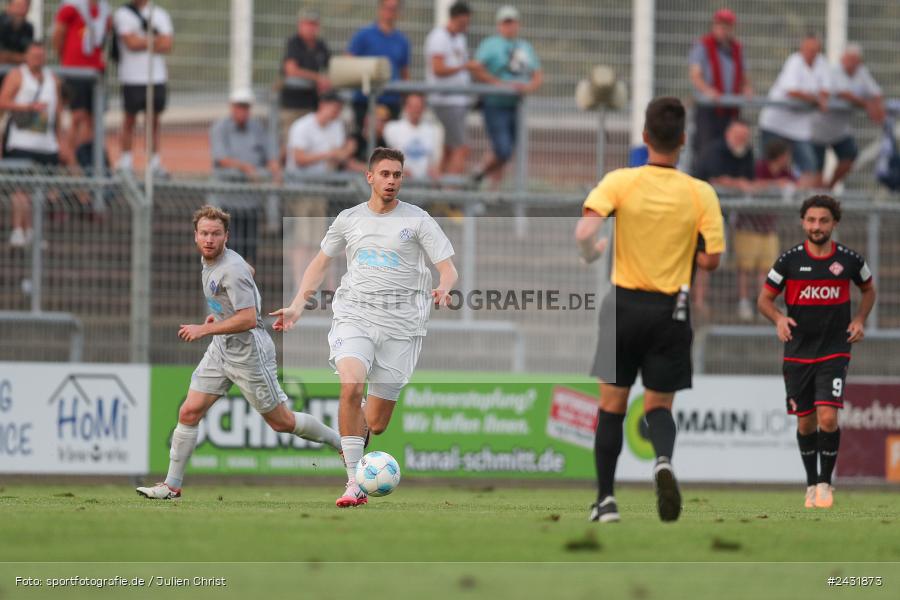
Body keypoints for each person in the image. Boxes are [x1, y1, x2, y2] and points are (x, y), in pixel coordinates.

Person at [270, 147, 458, 508]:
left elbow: (447, 268)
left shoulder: (417, 220)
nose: (391, 181)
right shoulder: (348, 219)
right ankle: (354, 483)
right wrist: (297, 305)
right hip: (354, 315)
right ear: (369, 177)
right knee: (351, 383)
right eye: (385, 174)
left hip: (402, 327)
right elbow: (320, 262)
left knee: (377, 421)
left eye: (397, 175)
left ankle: (359, 442)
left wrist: (444, 287)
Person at [575, 97, 725, 524]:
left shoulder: (620, 181)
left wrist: (592, 250)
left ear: (644, 138)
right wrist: (686, 250)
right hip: (670, 310)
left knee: (611, 406)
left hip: (623, 305)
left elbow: (585, 229)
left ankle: (605, 500)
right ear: (682, 140)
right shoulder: (700, 192)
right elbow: (713, 258)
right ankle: (662, 460)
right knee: (659, 406)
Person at [136, 205, 342, 500]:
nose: (209, 239)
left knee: (281, 422)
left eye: (216, 234)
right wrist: (220, 316)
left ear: (226, 236)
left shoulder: (231, 269)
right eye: (204, 233)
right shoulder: (224, 263)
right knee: (189, 410)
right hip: (222, 348)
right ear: (195, 236)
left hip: (249, 352)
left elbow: (247, 318)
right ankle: (171, 485)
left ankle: (340, 444)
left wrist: (204, 329)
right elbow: (248, 272)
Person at [757, 195, 875, 510]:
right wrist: (779, 318)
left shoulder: (850, 260)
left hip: (835, 349)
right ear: (802, 222)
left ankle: (825, 484)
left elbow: (868, 289)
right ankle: (811, 485)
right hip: (797, 352)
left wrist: (860, 319)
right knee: (806, 423)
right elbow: (764, 300)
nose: (816, 226)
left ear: (834, 223)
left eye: (823, 220)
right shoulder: (789, 261)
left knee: (828, 416)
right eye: (811, 220)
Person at [0, 41, 68, 248]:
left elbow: (57, 113)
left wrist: (60, 140)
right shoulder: (17, 76)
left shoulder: (52, 79)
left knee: (38, 191)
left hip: (46, 144)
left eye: (41, 56)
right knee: (19, 189)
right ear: (26, 57)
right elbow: (3, 101)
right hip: (21, 141)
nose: (38, 59)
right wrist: (28, 107)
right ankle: (17, 230)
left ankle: (32, 231)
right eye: (34, 55)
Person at [209, 88, 281, 265]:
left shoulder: (257, 128)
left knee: (250, 249)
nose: (242, 111)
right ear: (232, 107)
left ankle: (246, 287)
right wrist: (245, 167)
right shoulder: (221, 128)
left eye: (246, 107)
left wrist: (274, 168)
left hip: (251, 200)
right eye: (239, 106)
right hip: (228, 200)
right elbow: (222, 158)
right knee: (228, 247)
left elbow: (270, 155)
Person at [472, 5, 542, 186]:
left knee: (506, 152)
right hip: (495, 104)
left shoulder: (525, 46)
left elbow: (537, 74)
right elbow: (477, 68)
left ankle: (491, 189)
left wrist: (527, 88)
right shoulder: (490, 44)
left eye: (512, 22)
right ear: (499, 25)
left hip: (516, 105)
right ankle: (478, 174)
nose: (510, 26)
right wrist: (497, 83)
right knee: (502, 149)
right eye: (506, 22)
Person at [731, 139, 794, 321]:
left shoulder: (785, 172)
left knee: (767, 268)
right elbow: (751, 186)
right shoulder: (758, 167)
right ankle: (743, 302)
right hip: (748, 225)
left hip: (768, 227)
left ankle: (763, 303)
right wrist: (774, 185)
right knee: (746, 267)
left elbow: (797, 184)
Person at [759, 34, 830, 188]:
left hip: (799, 128)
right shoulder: (794, 61)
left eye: (814, 50)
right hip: (776, 124)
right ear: (801, 49)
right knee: (767, 165)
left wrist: (819, 98)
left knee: (809, 166)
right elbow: (792, 91)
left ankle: (799, 203)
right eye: (807, 49)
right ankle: (763, 206)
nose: (810, 53)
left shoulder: (822, 64)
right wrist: (816, 100)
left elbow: (825, 90)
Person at [113, 0, 174, 175]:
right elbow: (130, 43)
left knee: (153, 122)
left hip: (156, 77)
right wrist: (156, 40)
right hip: (132, 77)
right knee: (129, 120)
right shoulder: (123, 14)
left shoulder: (160, 14)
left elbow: (167, 44)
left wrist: (142, 40)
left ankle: (153, 162)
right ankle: (125, 161)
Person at [812, 44, 884, 189]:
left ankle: (829, 188)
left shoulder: (862, 73)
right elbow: (844, 94)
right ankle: (816, 200)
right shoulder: (833, 71)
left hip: (839, 131)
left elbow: (876, 93)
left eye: (853, 60)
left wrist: (878, 107)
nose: (850, 63)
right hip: (818, 131)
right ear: (842, 59)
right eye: (847, 59)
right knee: (816, 172)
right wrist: (867, 104)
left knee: (850, 156)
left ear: (859, 62)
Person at [688, 8, 752, 172]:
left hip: (730, 109)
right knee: (706, 149)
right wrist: (708, 91)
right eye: (720, 25)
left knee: (731, 148)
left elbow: (744, 77)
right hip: (709, 109)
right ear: (714, 26)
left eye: (727, 26)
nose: (723, 30)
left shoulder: (737, 49)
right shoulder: (703, 45)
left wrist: (746, 89)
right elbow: (695, 75)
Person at [53, 0, 112, 156]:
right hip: (76, 70)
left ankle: (86, 157)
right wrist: (65, 60)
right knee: (78, 116)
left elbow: (104, 38)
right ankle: (72, 159)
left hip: (96, 71)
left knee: (92, 119)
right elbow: (58, 34)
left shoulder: (104, 10)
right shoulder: (72, 6)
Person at [425, 1, 477, 176]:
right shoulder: (439, 37)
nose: (466, 26)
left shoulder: (459, 38)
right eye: (463, 22)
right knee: (462, 147)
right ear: (455, 19)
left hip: (458, 101)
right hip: (445, 100)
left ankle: (440, 188)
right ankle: (454, 194)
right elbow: (438, 69)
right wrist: (465, 67)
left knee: (449, 147)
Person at [347, 0, 409, 132]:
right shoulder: (363, 35)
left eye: (394, 9)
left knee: (388, 148)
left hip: (391, 101)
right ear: (380, 9)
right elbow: (349, 63)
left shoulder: (402, 41)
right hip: (364, 101)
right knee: (364, 144)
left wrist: (406, 99)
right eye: (387, 8)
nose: (390, 12)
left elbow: (404, 72)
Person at [279, 9, 331, 146]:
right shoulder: (294, 43)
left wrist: (325, 82)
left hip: (312, 105)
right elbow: (291, 69)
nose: (310, 28)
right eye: (307, 24)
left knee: (309, 144)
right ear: (300, 25)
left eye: (313, 24)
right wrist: (317, 78)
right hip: (293, 105)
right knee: (290, 144)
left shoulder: (321, 46)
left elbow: (329, 69)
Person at [285, 90, 354, 176]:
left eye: (340, 108)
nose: (338, 111)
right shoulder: (302, 125)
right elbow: (299, 159)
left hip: (326, 181)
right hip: (300, 181)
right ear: (322, 104)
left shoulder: (337, 125)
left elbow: (339, 154)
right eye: (335, 107)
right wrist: (329, 154)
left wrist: (346, 151)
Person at [384, 93, 441, 181]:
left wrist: (434, 169)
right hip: (401, 183)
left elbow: (436, 161)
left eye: (418, 106)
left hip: (426, 184)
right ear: (406, 107)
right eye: (412, 106)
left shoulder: (434, 130)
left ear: (424, 108)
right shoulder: (392, 128)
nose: (415, 110)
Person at [693, 118, 755, 192]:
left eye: (744, 137)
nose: (740, 141)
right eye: (737, 136)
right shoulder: (715, 151)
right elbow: (715, 179)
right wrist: (739, 183)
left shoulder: (747, 152)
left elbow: (749, 180)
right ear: (727, 134)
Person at [0, 0, 34, 67]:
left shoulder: (28, 28)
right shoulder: (1, 24)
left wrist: (9, 57)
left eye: (24, 6)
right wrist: (22, 58)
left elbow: (31, 57)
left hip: (19, 71)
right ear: (9, 7)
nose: (21, 10)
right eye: (18, 6)